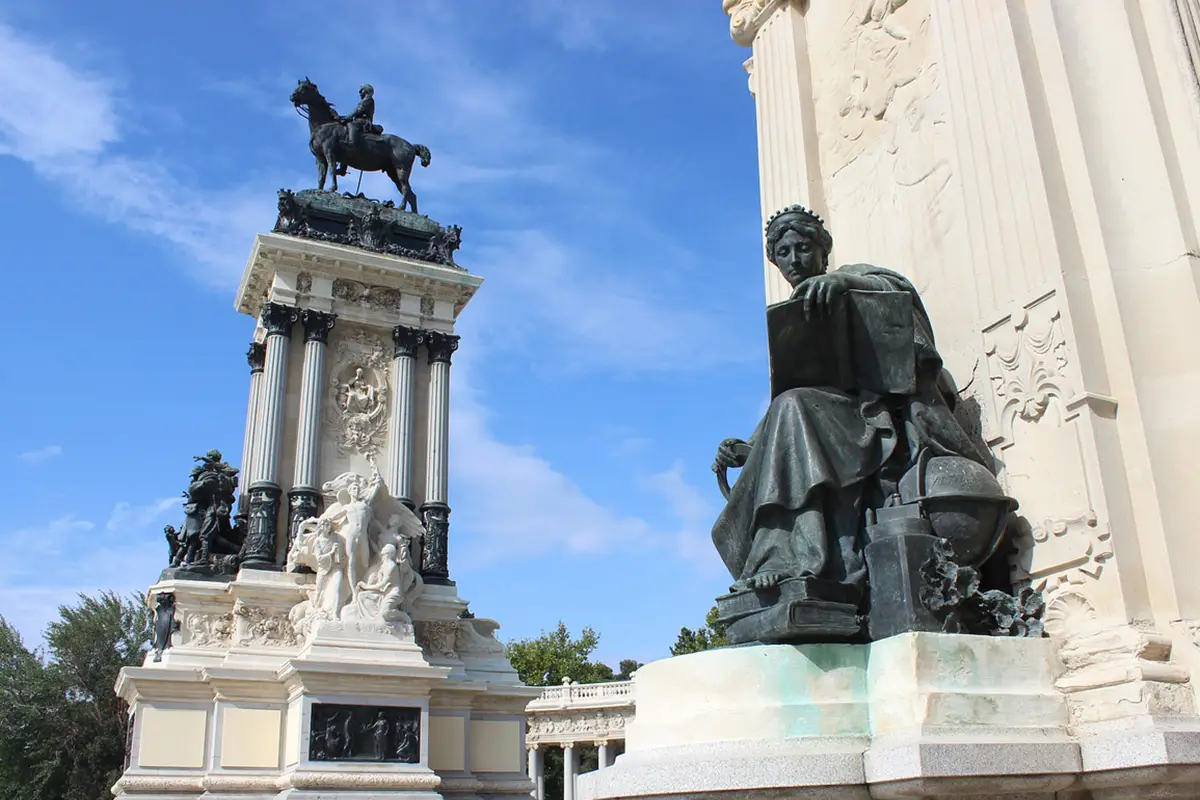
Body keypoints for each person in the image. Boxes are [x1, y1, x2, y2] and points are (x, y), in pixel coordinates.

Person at [712, 205, 990, 598]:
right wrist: (748, 449)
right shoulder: (793, 315)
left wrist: (844, 282)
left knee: (794, 407)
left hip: (876, 417)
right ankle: (781, 555)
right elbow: (795, 389)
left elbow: (899, 292)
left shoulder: (856, 278)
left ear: (823, 253)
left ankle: (785, 557)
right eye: (784, 253)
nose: (794, 259)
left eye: (803, 248)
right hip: (825, 418)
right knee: (790, 406)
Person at [342, 83, 376, 150]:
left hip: (364, 121)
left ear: (366, 90)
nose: (360, 93)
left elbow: (357, 111)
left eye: (361, 90)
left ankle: (352, 143)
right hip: (358, 120)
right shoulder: (365, 100)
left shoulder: (368, 100)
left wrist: (346, 118)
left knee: (351, 125)